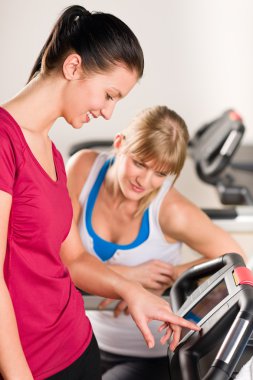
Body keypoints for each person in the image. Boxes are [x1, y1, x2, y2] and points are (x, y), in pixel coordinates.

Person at [0, 5, 200, 380]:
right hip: (31, 366)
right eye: (109, 95)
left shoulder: (52, 153)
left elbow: (73, 259)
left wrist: (133, 291)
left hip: (76, 346)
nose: (109, 114)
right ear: (73, 67)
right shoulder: (3, 142)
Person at [66, 105, 246, 380]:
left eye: (160, 174)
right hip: (86, 341)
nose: (145, 181)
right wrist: (126, 280)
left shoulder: (170, 210)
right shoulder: (83, 168)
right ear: (119, 143)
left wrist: (173, 275)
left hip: (149, 353)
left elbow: (235, 257)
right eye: (139, 162)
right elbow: (58, 254)